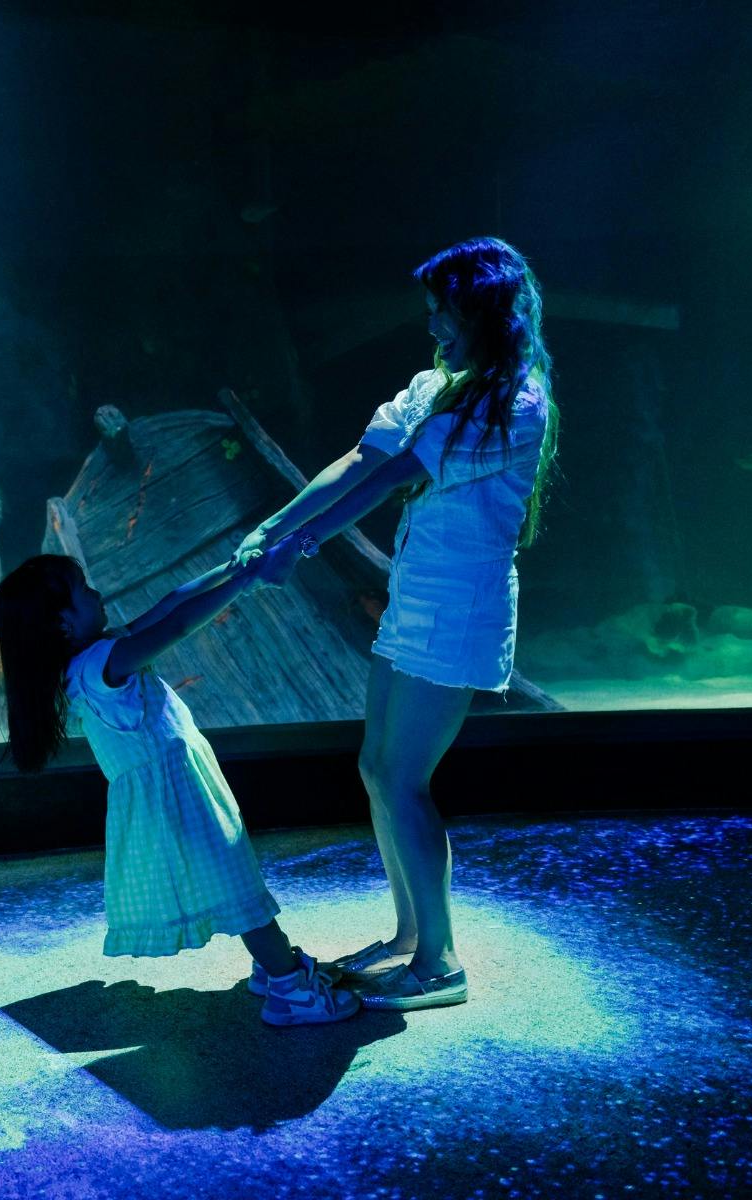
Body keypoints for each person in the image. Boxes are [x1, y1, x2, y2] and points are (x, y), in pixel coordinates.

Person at [232, 237, 560, 1011]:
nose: (433, 326)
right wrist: (273, 524)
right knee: (378, 770)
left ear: (482, 310)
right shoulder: (435, 387)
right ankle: (410, 936)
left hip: (461, 614)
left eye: (443, 311)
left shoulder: (515, 404)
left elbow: (392, 476)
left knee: (403, 779)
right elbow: (359, 458)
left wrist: (300, 546)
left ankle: (440, 964)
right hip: (415, 603)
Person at [0, 547, 359, 1026]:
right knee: (236, 883)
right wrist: (247, 582)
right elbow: (177, 625)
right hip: (177, 796)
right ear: (61, 623)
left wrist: (236, 565)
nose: (97, 592)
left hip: (167, 795)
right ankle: (291, 990)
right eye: (84, 590)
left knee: (231, 878)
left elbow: (167, 605)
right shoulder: (102, 662)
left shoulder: (86, 662)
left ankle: (274, 970)